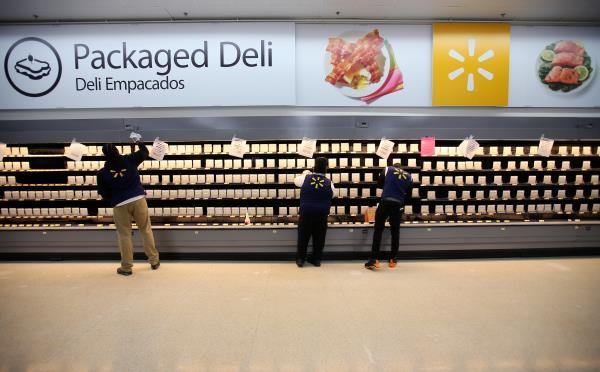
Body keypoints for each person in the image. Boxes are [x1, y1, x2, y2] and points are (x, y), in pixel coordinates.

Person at [97, 139, 159, 276]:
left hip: (119, 204)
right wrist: (139, 141)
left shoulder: (102, 173)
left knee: (124, 235)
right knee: (145, 230)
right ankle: (154, 261)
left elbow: (103, 194)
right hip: (138, 199)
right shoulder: (129, 159)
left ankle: (126, 267)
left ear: (104, 156)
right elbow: (145, 152)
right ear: (117, 151)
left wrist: (114, 200)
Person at [365, 160, 412, 270]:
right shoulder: (409, 176)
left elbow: (379, 184)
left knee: (378, 229)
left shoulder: (387, 169)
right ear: (402, 169)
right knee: (395, 231)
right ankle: (393, 259)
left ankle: (374, 259)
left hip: (385, 202)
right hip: (398, 204)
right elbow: (408, 195)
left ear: (394, 167)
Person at [294, 157, 335, 267]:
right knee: (319, 238)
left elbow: (296, 181)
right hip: (321, 214)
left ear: (314, 166)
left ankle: (301, 259)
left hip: (306, 213)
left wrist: (305, 173)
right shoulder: (329, 182)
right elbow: (333, 194)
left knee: (303, 237)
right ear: (326, 168)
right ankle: (316, 260)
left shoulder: (305, 178)